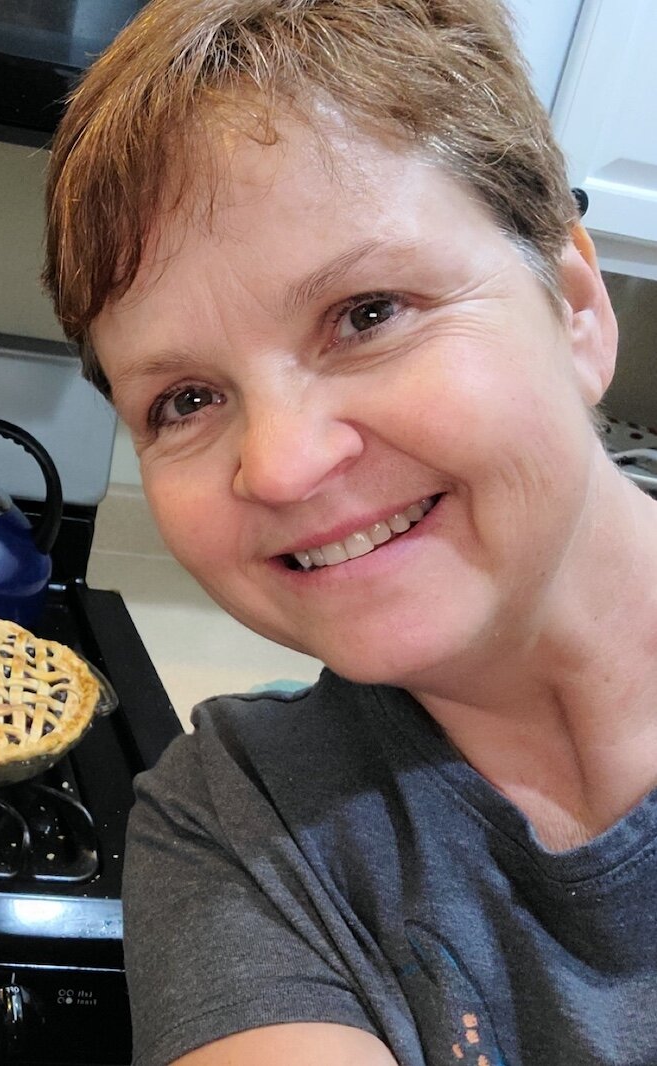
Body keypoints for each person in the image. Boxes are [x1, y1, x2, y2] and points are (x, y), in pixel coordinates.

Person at [41, 1, 650, 1064]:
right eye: (183, 399)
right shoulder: (238, 822)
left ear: (573, 306)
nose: (278, 464)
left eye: (366, 313)